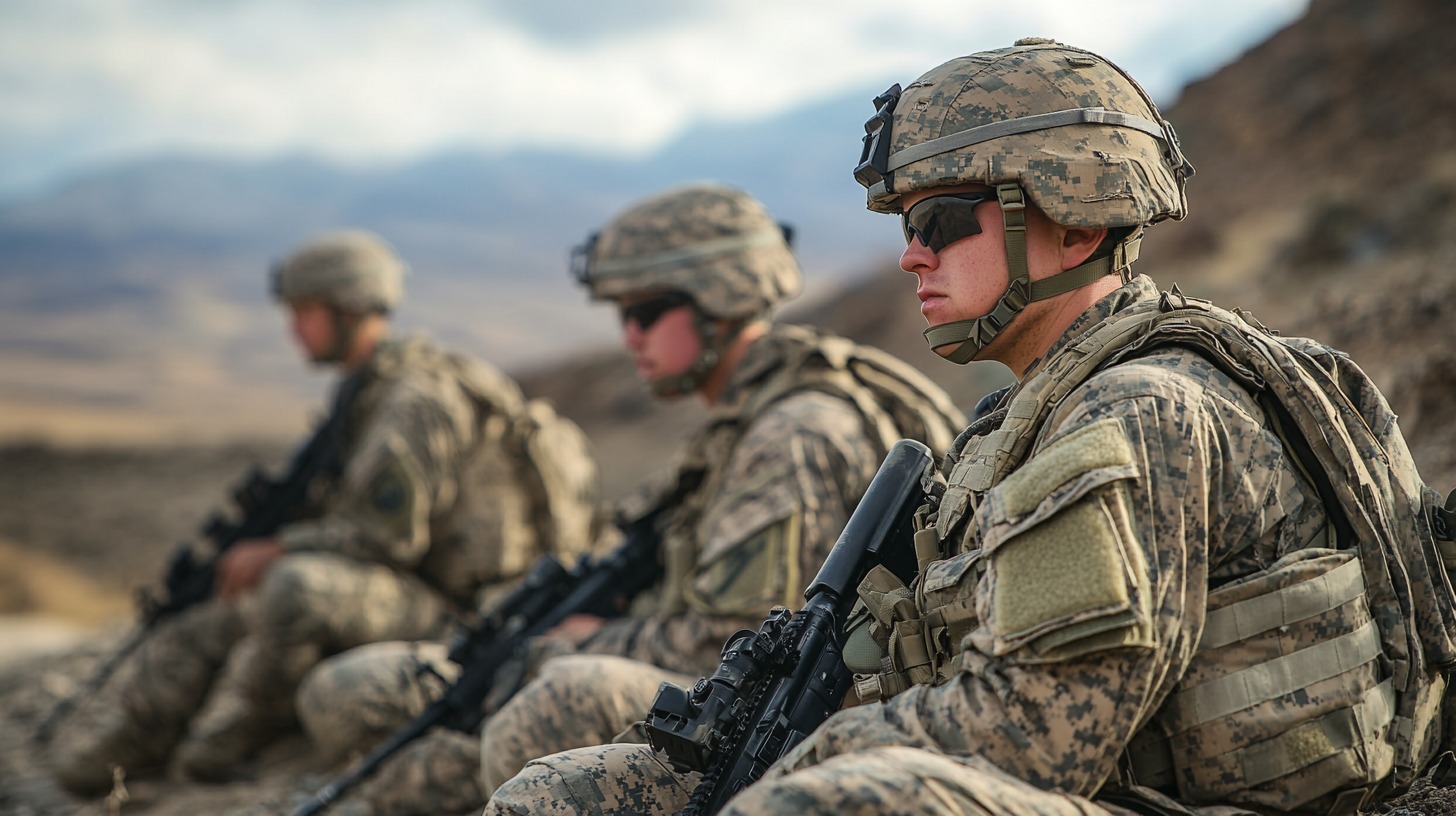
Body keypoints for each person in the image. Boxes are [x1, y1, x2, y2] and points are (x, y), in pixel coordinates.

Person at [485, 38, 1456, 816]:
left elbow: (1032, 735)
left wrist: (799, 757)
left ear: (1074, 221)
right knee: (554, 796)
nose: (911, 257)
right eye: (902, 227)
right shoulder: (1034, 411)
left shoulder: (1134, 416)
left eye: (942, 221)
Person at [288, 182, 967, 816]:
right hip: (685, 677)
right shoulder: (740, 417)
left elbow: (723, 630)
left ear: (716, 299)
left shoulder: (791, 431)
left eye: (645, 312)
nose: (629, 337)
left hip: (774, 708)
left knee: (554, 695)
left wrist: (589, 639)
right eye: (622, 316)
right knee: (363, 692)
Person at [48, 229, 599, 795]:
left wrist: (284, 547)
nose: (293, 329)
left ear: (350, 309)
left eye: (306, 312)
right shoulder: (368, 391)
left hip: (464, 611)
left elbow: (390, 540)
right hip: (412, 590)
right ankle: (119, 749)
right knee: (224, 607)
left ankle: (215, 758)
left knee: (293, 587)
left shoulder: (412, 401)